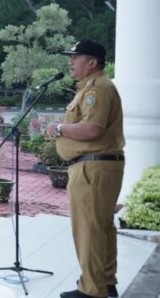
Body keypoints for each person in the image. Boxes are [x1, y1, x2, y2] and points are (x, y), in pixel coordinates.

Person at [45, 40, 124, 298]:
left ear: (92, 62)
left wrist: (59, 128)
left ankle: (91, 290)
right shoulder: (93, 87)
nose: (70, 61)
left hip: (93, 167)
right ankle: (105, 282)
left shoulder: (97, 89)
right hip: (97, 165)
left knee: (89, 228)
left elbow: (92, 129)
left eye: (75, 57)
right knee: (101, 226)